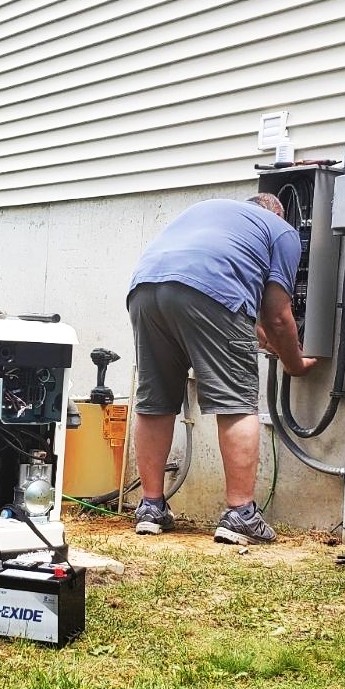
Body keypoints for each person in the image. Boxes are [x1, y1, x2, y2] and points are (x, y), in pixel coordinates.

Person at [126, 193, 316, 545]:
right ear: (277, 213)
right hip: (208, 290)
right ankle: (241, 514)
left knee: (156, 401)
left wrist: (263, 340)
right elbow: (276, 314)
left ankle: (151, 506)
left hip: (145, 290)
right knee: (236, 401)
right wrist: (294, 363)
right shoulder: (282, 230)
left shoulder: (209, 211)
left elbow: (237, 315)